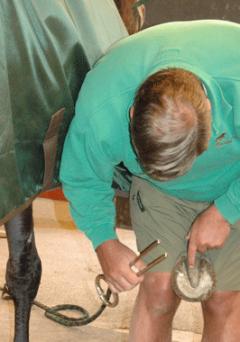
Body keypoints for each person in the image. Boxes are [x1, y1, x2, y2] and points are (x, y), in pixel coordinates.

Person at [60, 20, 240, 341]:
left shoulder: (236, 81)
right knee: (158, 291)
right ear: (132, 115)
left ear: (209, 111)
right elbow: (82, 176)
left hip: (232, 181)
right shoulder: (103, 103)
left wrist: (226, 209)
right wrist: (105, 241)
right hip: (158, 193)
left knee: (224, 300)